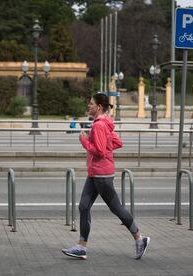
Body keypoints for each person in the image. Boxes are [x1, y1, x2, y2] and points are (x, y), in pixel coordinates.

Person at [62, 93, 150, 260]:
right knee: (83, 206)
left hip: (102, 173)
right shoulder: (104, 125)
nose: (89, 106)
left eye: (91, 103)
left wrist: (84, 141)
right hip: (95, 172)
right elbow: (116, 143)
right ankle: (81, 247)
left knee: (116, 208)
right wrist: (100, 144)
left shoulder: (99, 126)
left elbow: (100, 151)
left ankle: (140, 239)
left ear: (99, 107)